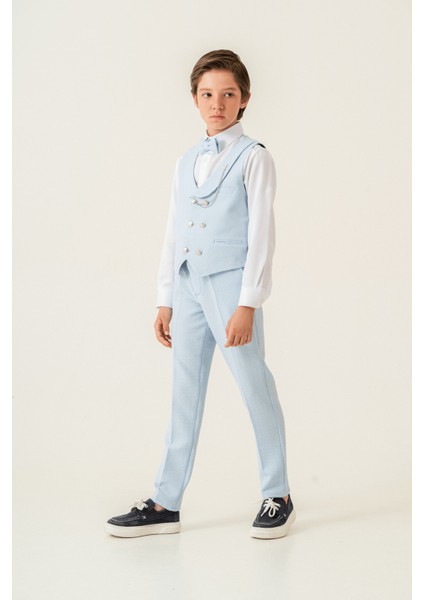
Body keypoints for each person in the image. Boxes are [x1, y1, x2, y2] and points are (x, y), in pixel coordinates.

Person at [105, 49, 296, 540]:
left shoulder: (254, 157)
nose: (217, 104)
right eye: (208, 94)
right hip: (188, 283)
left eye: (228, 94)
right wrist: (165, 296)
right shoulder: (186, 160)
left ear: (244, 99)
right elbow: (174, 229)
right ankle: (165, 502)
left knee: (254, 385)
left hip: (232, 287)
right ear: (195, 99)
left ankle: (278, 494)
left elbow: (262, 235)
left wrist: (248, 302)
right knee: (183, 393)